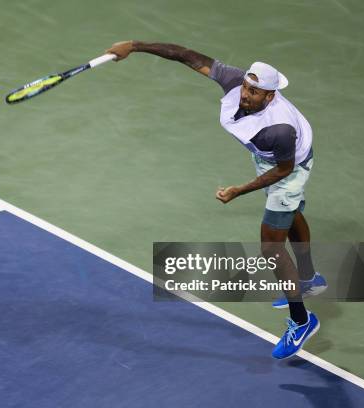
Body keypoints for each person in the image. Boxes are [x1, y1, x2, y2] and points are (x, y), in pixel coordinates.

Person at [106, 40, 327, 359]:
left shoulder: (280, 129)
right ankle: (308, 278)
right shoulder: (235, 81)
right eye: (246, 87)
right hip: (270, 159)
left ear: (270, 95)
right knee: (289, 215)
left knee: (270, 246)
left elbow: (283, 170)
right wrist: (135, 45)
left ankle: (302, 320)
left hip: (286, 167)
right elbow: (184, 56)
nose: (245, 95)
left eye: (254, 93)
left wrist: (239, 190)